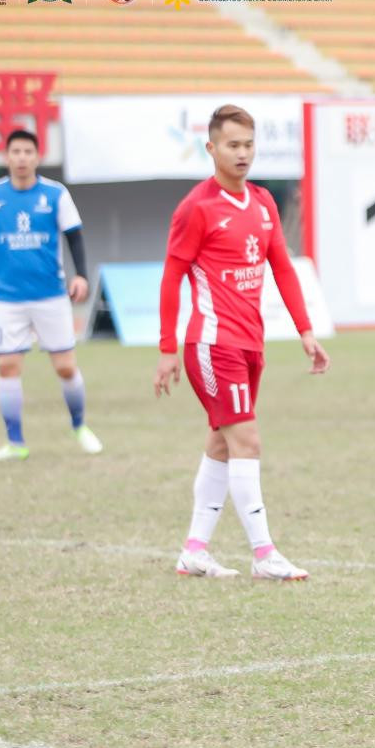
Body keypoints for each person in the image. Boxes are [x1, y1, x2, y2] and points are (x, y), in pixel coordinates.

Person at [153, 104, 330, 581]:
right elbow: (172, 277)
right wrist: (167, 348)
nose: (243, 154)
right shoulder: (196, 208)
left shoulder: (264, 203)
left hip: (251, 344)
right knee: (247, 439)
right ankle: (264, 553)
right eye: (232, 145)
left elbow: (283, 268)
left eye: (249, 145)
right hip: (213, 344)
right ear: (210, 149)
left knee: (221, 443)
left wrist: (305, 331)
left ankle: (195, 550)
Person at [0, 129, 102, 462]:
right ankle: (15, 442)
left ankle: (80, 426)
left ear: (37, 157)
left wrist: (80, 274)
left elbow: (74, 237)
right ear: (6, 157)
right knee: (8, 367)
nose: (22, 158)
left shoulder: (55, 194)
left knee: (66, 368)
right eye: (16, 152)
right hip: (8, 298)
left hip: (51, 296)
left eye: (28, 151)